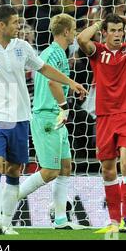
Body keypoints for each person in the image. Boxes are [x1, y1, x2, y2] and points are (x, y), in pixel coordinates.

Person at [0, 6, 87, 235]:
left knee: (13, 171)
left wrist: (70, 83)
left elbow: (45, 69)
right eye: (15, 23)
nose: (19, 27)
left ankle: (7, 223)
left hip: (21, 119)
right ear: (1, 26)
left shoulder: (23, 47)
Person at [77, 13, 126, 233]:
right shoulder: (98, 52)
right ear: (104, 33)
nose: (118, 34)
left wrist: (125, 19)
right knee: (108, 170)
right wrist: (100, 23)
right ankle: (113, 220)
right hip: (104, 117)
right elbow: (82, 39)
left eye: (120, 30)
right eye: (113, 30)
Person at [17, 13, 85, 230]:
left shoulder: (56, 54)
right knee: (50, 171)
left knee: (66, 167)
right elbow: (52, 85)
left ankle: (61, 220)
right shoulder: (54, 54)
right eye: (73, 30)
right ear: (66, 31)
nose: (74, 34)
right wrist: (65, 107)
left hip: (55, 116)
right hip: (48, 116)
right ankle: (5, 203)